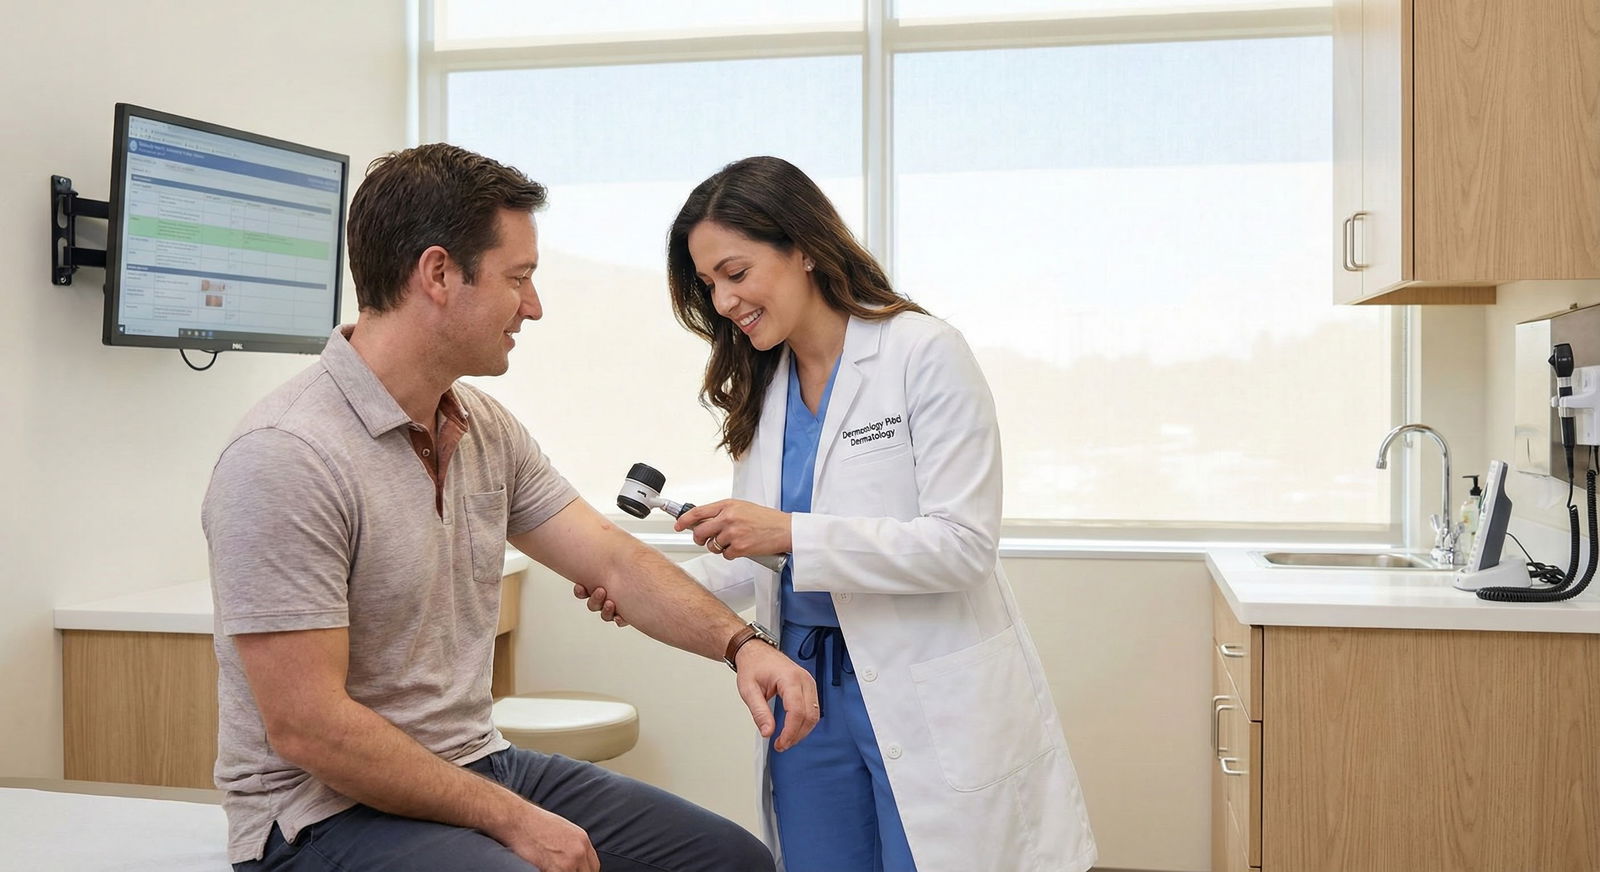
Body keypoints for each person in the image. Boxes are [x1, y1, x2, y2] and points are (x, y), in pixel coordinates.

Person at [201, 143, 820, 872]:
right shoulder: (287, 455)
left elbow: (612, 559)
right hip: (321, 815)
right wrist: (514, 822)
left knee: (730, 862)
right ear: (438, 274)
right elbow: (309, 730)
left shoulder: (482, 427)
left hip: (473, 762)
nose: (533, 305)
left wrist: (741, 646)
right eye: (518, 278)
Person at [579, 156, 1097, 871]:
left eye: (736, 273)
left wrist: (789, 530)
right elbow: (769, 561)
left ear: (803, 248)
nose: (724, 301)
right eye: (709, 285)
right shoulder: (763, 387)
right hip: (805, 692)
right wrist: (647, 589)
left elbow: (963, 545)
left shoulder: (923, 353)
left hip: (924, 681)